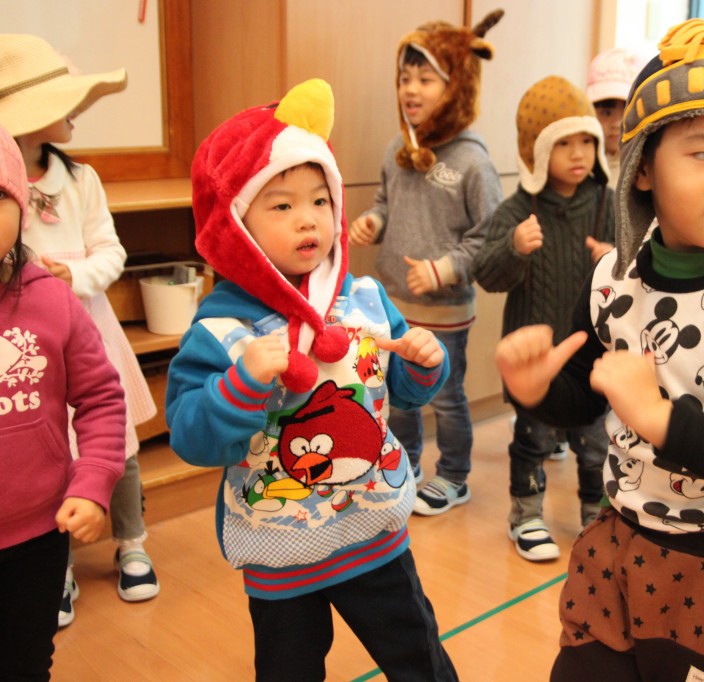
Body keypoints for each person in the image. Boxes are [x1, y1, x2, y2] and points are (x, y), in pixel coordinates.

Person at [495, 19, 704, 680]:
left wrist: (658, 417)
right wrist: (536, 391)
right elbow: (586, 393)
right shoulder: (612, 277)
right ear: (642, 166)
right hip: (623, 537)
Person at [165, 79, 457, 681]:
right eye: (281, 206)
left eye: (320, 200)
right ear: (237, 224)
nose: (308, 219)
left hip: (373, 530)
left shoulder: (364, 297)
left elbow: (400, 390)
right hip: (280, 551)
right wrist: (241, 386)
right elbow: (190, 435)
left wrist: (423, 363)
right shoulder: (221, 328)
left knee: (419, 658)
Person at [0, 33, 160, 626]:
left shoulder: (81, 180)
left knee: (117, 444)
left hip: (90, 327)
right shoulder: (7, 191)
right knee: (53, 449)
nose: (77, 111)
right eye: (65, 101)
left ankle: (132, 540)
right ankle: (56, 564)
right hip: (29, 348)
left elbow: (111, 251)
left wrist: (76, 276)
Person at [348, 12, 505, 516]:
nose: (410, 90)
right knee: (400, 393)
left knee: (446, 397)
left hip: (445, 311)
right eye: (404, 78)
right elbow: (385, 202)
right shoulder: (398, 149)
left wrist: (443, 269)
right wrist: (372, 221)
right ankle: (407, 464)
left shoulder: (473, 161)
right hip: (394, 304)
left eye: (425, 79)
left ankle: (455, 476)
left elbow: (491, 237)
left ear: (455, 87)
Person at [0, 122, 126, 679]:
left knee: (26, 660)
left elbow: (101, 397)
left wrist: (93, 482)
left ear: (21, 207)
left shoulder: (51, 299)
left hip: (36, 535)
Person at [474, 76, 615, 562]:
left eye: (586, 141)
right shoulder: (516, 210)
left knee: (595, 441)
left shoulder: (608, 204)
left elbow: (641, 271)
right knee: (531, 437)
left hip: (590, 356)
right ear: (536, 153)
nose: (578, 154)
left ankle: (596, 515)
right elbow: (486, 274)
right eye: (562, 144)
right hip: (533, 357)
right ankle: (526, 514)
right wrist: (513, 248)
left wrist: (617, 258)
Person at [585, 47, 643, 186]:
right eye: (607, 113)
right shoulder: (579, 166)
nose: (617, 124)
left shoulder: (645, 169)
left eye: (627, 113)